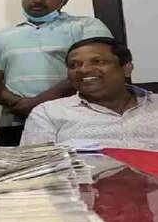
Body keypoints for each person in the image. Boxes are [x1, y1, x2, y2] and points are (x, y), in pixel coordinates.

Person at [0, 0, 113, 146]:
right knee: (20, 164)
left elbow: (94, 71)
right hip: (15, 122)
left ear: (65, 0)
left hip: (76, 119)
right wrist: (17, 103)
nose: (38, 0)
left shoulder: (86, 26)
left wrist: (39, 103)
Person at [21, 37, 158, 150]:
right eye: (74, 65)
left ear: (126, 69)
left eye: (97, 62)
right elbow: (34, 167)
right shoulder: (48, 112)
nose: (84, 70)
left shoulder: (154, 104)